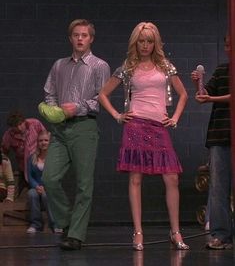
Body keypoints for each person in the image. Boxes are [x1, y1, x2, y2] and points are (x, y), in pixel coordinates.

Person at [99, 22, 189, 251]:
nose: (146, 45)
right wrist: (118, 115)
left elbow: (183, 94)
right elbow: (102, 94)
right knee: (135, 179)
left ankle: (175, 231)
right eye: (142, 41)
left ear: (155, 43)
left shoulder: (165, 66)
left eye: (150, 41)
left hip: (159, 126)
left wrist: (175, 118)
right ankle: (138, 232)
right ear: (135, 43)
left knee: (171, 178)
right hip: (136, 125)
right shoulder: (128, 67)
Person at [42, 19, 110, 250]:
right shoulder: (59, 65)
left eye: (84, 35)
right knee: (49, 178)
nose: (80, 38)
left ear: (91, 39)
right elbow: (49, 92)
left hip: (84, 127)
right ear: (70, 38)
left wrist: (77, 108)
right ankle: (68, 222)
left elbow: (101, 99)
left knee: (84, 184)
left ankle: (76, 235)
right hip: (60, 129)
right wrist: (56, 111)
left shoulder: (100, 66)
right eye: (76, 35)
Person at [191, 35, 232, 250]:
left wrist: (211, 99)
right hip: (219, 135)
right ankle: (221, 234)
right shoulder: (222, 70)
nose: (228, 48)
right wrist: (199, 84)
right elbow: (203, 95)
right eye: (226, 44)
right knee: (218, 187)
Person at [1, 111, 46, 196]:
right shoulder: (9, 135)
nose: (19, 127)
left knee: (42, 190)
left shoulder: (35, 124)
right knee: (16, 194)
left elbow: (45, 137)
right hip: (23, 167)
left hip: (39, 163)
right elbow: (4, 150)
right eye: (16, 126)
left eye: (21, 124)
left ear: (24, 121)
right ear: (12, 127)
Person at [26, 130, 62, 234]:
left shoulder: (55, 158)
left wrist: (46, 187)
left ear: (50, 142)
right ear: (38, 142)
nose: (43, 142)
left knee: (47, 195)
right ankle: (35, 224)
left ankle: (55, 224)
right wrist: (36, 186)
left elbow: (57, 175)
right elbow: (30, 176)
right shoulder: (32, 157)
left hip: (50, 187)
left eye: (46, 140)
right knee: (31, 194)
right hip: (36, 187)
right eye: (41, 140)